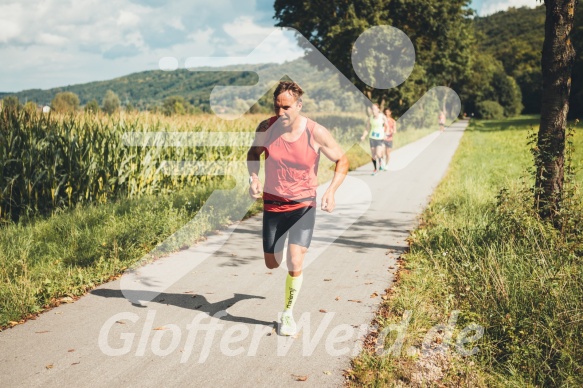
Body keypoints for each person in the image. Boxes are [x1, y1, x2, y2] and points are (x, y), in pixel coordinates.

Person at [247, 81, 349, 336]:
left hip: (303, 205)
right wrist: (254, 177)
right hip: (272, 204)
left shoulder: (315, 133)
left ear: (299, 105)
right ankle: (280, 262)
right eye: (277, 106)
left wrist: (331, 191)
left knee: (295, 259)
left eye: (287, 107)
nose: (281, 112)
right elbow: (252, 153)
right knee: (272, 263)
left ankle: (288, 313)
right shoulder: (266, 128)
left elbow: (342, 159)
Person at [360, 103, 388, 175]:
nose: (373, 110)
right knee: (373, 155)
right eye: (372, 109)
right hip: (372, 137)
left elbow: (387, 126)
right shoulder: (370, 118)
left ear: (378, 109)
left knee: (378, 154)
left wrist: (385, 134)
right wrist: (363, 136)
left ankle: (381, 162)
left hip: (380, 137)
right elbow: (367, 128)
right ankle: (375, 169)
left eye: (375, 109)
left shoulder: (382, 117)